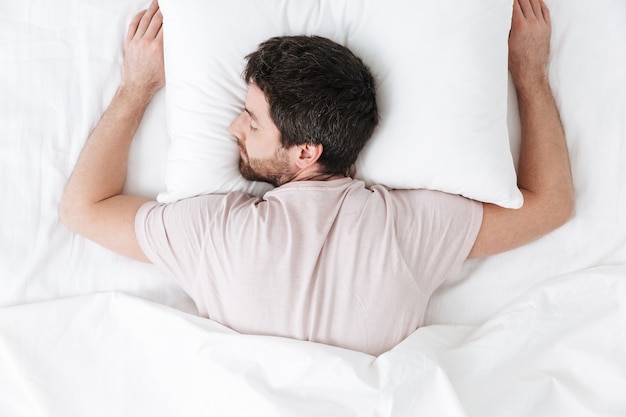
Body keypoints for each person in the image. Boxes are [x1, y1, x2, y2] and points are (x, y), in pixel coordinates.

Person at [59, 0, 574, 355]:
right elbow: (550, 204)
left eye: (252, 120)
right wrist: (529, 75)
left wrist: (136, 88)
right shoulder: (413, 226)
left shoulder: (213, 232)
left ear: (305, 152)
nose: (232, 126)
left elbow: (83, 208)